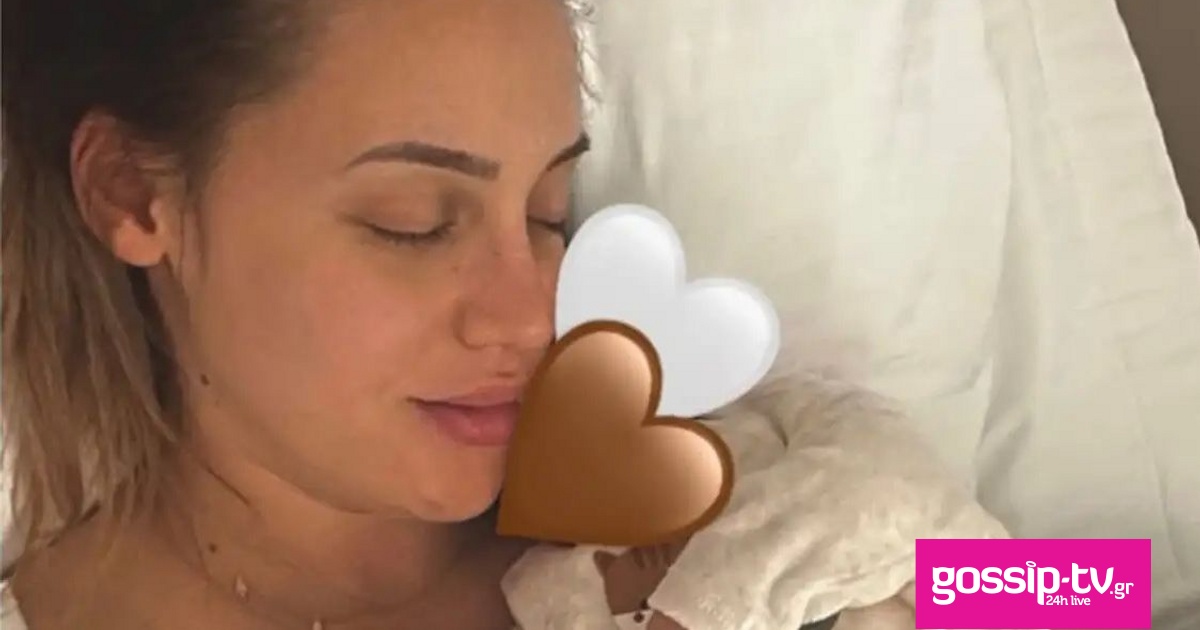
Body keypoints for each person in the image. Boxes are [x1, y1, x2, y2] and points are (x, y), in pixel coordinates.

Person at [1, 0, 589, 628]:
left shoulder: (655, 571)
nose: (532, 320)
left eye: (546, 214)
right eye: (412, 224)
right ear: (133, 191)